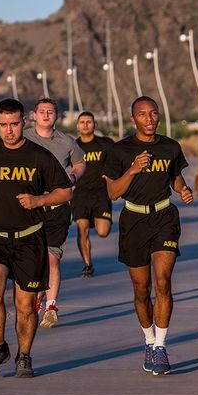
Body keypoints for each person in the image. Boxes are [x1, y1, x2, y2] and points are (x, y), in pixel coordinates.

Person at [0, 98, 72, 378]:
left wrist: (39, 200)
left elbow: (65, 192)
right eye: (3, 124)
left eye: (15, 124)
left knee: (25, 305)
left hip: (30, 240)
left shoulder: (39, 157)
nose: (9, 130)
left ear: (24, 122)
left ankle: (24, 355)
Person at [102, 96, 194, 376]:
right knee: (142, 290)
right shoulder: (120, 150)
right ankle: (148, 341)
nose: (150, 118)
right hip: (133, 219)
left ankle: (161, 347)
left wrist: (183, 189)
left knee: (163, 282)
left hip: (164, 217)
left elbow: (175, 177)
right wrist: (133, 169)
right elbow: (113, 193)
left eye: (154, 113)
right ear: (134, 120)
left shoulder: (170, 147)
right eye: (143, 114)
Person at [24, 98, 86, 328]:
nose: (46, 115)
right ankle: (38, 292)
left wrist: (73, 177)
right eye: (42, 111)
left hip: (58, 207)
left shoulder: (67, 142)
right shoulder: (25, 138)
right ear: (33, 114)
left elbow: (80, 164)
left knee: (51, 258)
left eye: (50, 111)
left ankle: (50, 306)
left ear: (56, 116)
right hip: (29, 206)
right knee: (31, 260)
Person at [73, 111, 114, 277]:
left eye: (88, 122)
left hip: (101, 194)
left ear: (94, 125)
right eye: (82, 122)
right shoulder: (72, 146)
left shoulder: (105, 144)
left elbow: (118, 161)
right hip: (80, 195)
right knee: (82, 229)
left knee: (103, 232)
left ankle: (94, 219)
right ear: (77, 126)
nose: (85, 125)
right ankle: (87, 264)